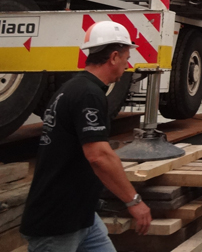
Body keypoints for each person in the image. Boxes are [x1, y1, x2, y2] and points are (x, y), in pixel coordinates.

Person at [21, 21, 152, 252]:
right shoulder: (88, 94)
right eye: (125, 56)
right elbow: (98, 156)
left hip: (82, 216)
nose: (127, 63)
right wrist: (134, 201)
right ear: (113, 57)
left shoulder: (75, 88)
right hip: (58, 222)